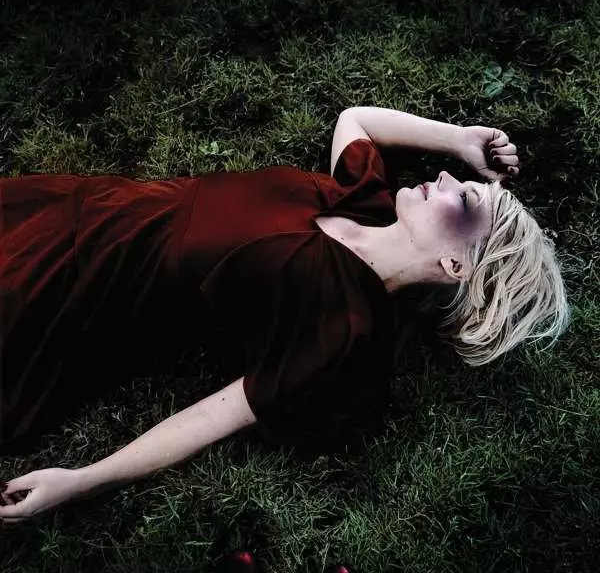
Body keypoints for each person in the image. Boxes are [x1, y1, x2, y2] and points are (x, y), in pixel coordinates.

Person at [0, 107, 569, 523]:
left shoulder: (342, 327)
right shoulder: (365, 201)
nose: (445, 177)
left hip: (72, 288)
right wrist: (458, 139)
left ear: (455, 265)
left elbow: (215, 415)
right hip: (85, 206)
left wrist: (82, 481)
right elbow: (356, 121)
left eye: (464, 198)